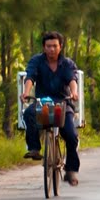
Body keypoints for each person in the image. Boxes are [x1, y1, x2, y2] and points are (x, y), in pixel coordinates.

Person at [21, 31, 81, 186]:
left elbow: (72, 80)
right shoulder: (36, 61)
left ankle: (71, 171)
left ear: (60, 47)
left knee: (71, 135)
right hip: (43, 104)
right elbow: (30, 78)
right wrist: (26, 93)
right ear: (44, 47)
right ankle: (34, 148)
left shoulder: (66, 63)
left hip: (63, 104)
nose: (52, 49)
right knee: (28, 114)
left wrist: (74, 93)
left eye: (55, 46)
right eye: (48, 46)